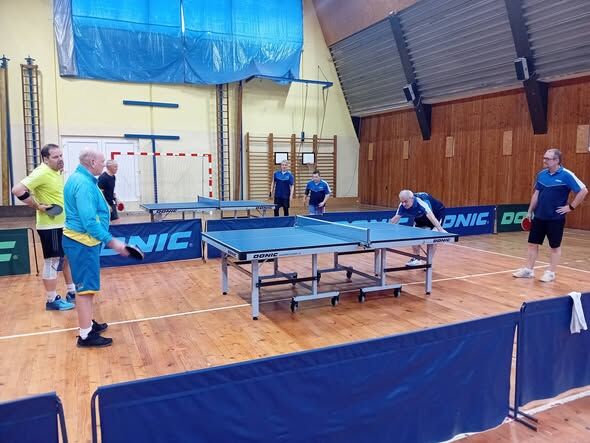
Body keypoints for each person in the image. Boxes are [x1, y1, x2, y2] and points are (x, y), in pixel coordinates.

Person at [62, 149, 129, 348]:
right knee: (85, 290)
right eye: (102, 162)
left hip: (81, 241)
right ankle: (85, 336)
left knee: (86, 288)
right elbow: (89, 222)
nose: (104, 164)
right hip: (83, 242)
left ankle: (88, 324)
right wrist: (112, 242)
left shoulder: (81, 178)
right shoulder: (83, 184)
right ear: (92, 162)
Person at [11, 143, 76, 311]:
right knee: (52, 261)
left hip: (62, 224)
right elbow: (17, 190)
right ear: (45, 159)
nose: (60, 159)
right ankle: (51, 300)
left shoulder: (55, 171)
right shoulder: (41, 172)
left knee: (66, 257)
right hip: (50, 226)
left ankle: (71, 291)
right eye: (55, 157)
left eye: (61, 155)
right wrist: (37, 206)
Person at [513, 148, 587, 282]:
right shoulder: (541, 174)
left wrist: (571, 207)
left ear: (556, 160)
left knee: (554, 247)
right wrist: (529, 211)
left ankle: (551, 273)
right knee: (532, 244)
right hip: (539, 216)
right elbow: (536, 194)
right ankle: (528, 270)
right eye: (544, 158)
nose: (544, 160)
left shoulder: (567, 175)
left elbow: (583, 191)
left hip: (555, 218)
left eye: (547, 158)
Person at [389, 190, 447, 266]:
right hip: (420, 215)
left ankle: (429, 261)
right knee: (414, 235)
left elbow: (431, 217)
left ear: (412, 198)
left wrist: (440, 230)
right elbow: (396, 218)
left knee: (434, 237)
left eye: (405, 201)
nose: (403, 204)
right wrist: (387, 230)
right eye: (402, 202)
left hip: (436, 213)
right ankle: (417, 259)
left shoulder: (422, 203)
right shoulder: (402, 205)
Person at [98, 159, 120, 223]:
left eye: (117, 166)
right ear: (109, 167)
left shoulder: (113, 177)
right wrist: (106, 205)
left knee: (116, 222)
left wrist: (116, 199)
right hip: (103, 205)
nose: (117, 168)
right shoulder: (103, 178)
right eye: (115, 166)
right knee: (105, 223)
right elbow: (99, 193)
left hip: (111, 203)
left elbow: (110, 191)